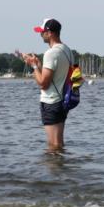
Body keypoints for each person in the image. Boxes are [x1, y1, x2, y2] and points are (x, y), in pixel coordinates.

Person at [22, 18, 74, 152]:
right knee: (59, 142)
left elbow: (43, 83)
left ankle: (54, 170)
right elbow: (56, 75)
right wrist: (38, 64)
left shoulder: (51, 53)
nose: (40, 35)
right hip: (63, 101)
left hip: (51, 102)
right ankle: (61, 168)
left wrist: (33, 66)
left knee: (53, 144)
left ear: (49, 33)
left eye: (42, 32)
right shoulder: (67, 50)